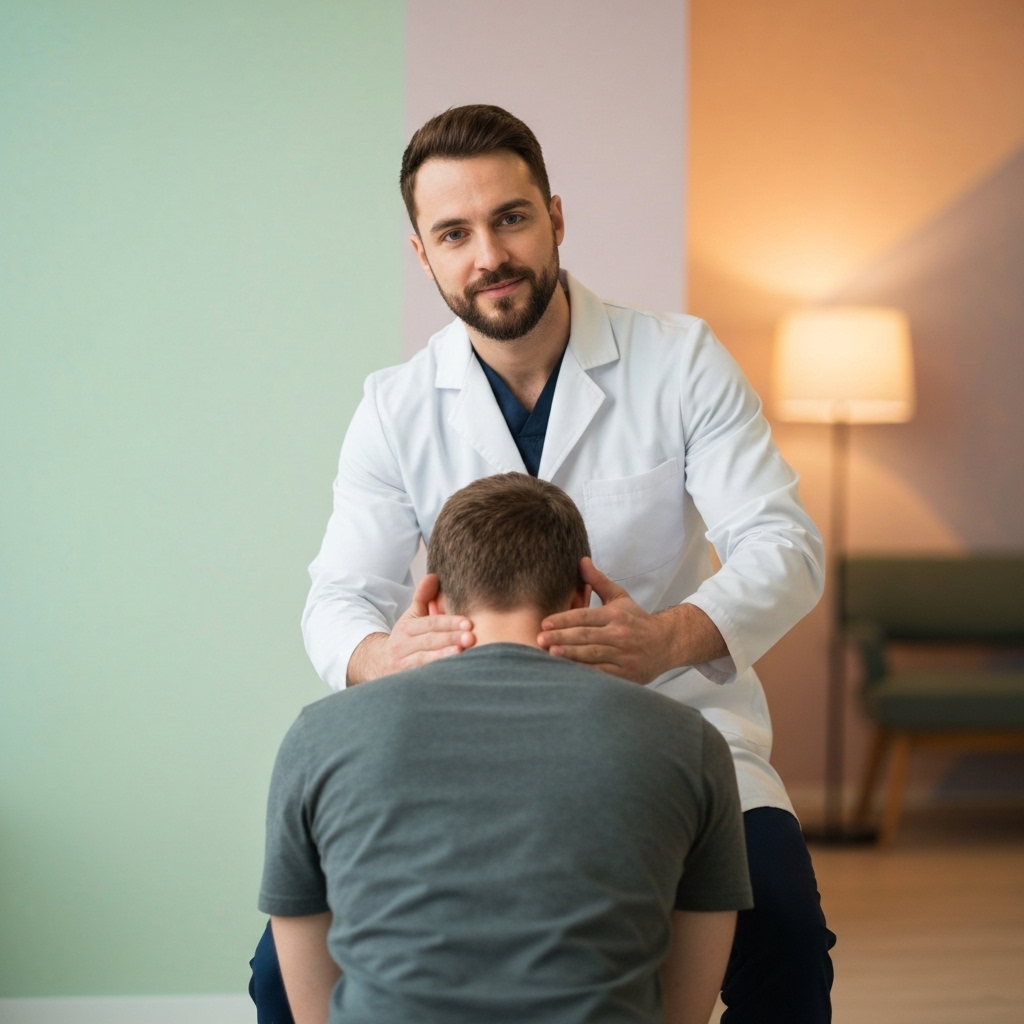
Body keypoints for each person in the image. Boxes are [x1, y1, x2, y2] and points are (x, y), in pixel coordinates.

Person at [254, 104, 835, 1022]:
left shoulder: (680, 361)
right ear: (424, 255)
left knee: (788, 945)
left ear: (556, 218)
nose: (489, 255)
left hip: (672, 723)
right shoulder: (395, 406)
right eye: (455, 233)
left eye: (510, 218)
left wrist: (663, 638)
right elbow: (339, 597)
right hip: (455, 746)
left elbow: (787, 547)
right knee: (276, 973)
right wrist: (384, 659)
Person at [259, 473, 753, 1024]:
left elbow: (309, 1003)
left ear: (434, 597)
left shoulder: (318, 736)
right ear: (580, 594)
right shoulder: (690, 742)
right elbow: (683, 1010)